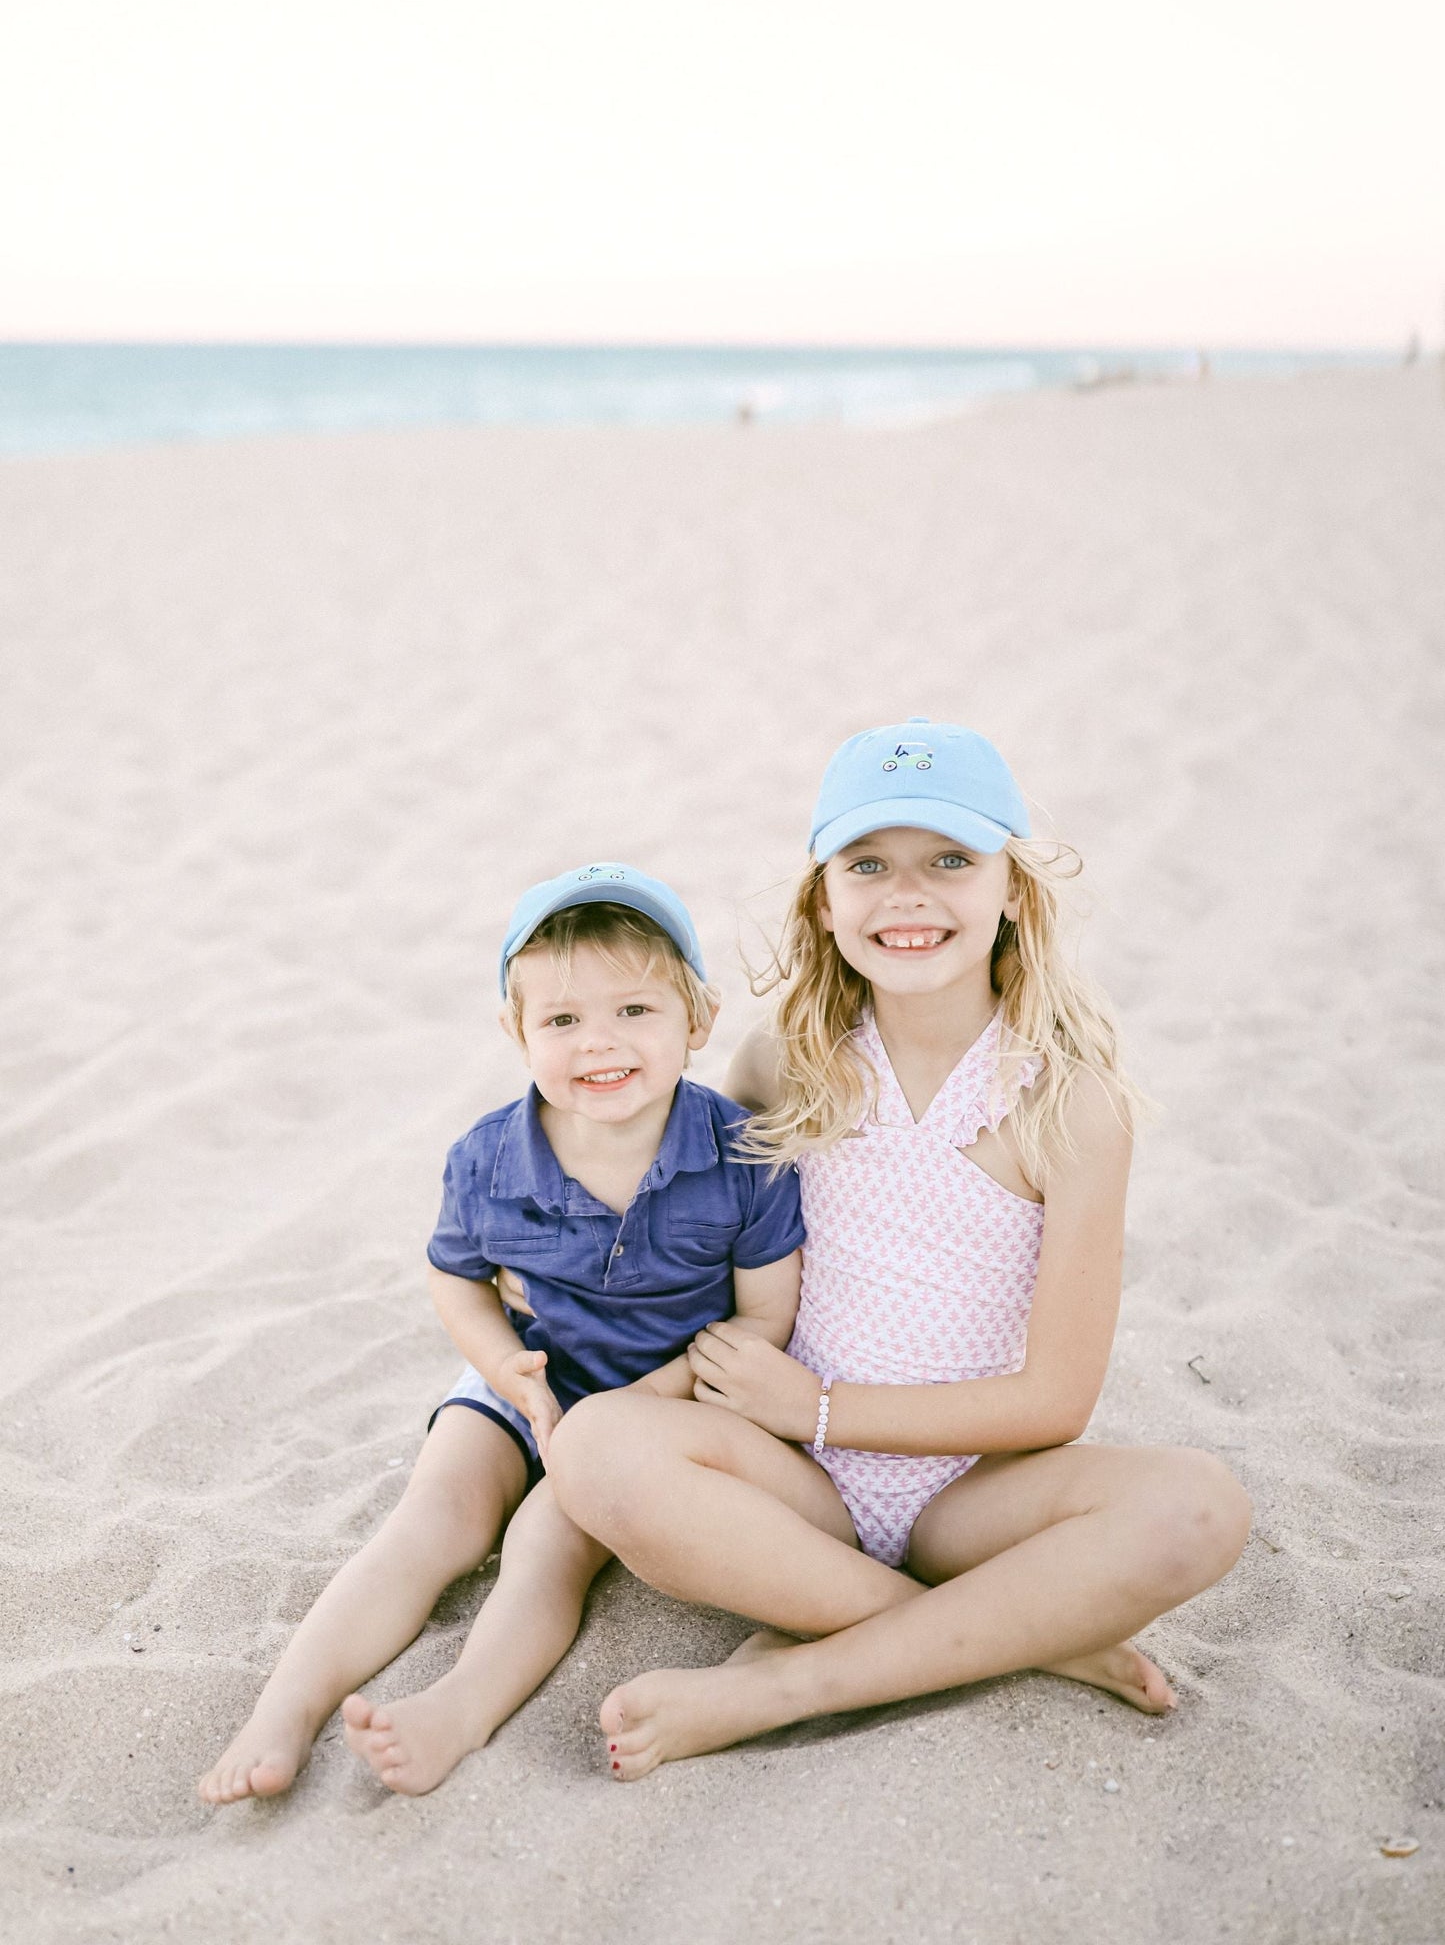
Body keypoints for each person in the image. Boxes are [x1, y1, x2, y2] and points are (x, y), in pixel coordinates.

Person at [543, 722, 1253, 1779]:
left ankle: (785, 1683)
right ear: (822, 899)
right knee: (598, 1447)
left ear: (1012, 887)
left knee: (1199, 1506)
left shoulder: (1070, 1107)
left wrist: (815, 1407)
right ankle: (1017, 1635)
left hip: (975, 1495)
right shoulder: (782, 1059)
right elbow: (683, 1219)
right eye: (867, 864)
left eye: (950, 862)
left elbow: (1056, 1399)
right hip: (794, 1487)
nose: (906, 895)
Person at [198, 865, 803, 1803]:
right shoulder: (487, 1157)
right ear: (515, 1032)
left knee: (544, 1548)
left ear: (698, 1018)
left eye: (634, 1010)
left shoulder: (738, 1157)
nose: (597, 1043)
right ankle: (285, 1706)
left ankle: (458, 1707)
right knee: (429, 1524)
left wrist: (657, 1397)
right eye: (561, 1021)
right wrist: (501, 1368)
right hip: (526, 1379)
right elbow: (456, 1276)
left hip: (657, 1412)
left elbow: (766, 1316)